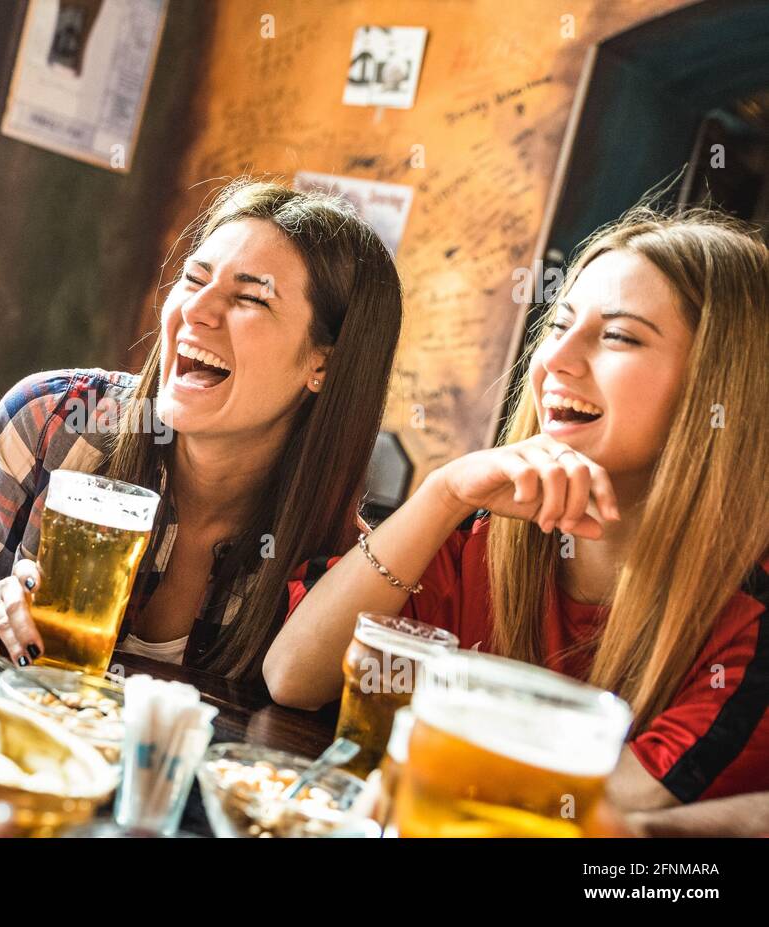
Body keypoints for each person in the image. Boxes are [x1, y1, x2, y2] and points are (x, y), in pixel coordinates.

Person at [265, 206, 769, 812]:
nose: (557, 360)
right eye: (558, 325)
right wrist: (443, 492)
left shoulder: (748, 616)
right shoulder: (482, 531)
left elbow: (589, 813)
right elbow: (295, 678)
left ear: (722, 387)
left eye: (618, 336)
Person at [0, 179, 404, 679]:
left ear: (325, 364)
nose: (196, 309)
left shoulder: (343, 563)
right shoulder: (53, 421)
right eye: (195, 280)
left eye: (250, 299)